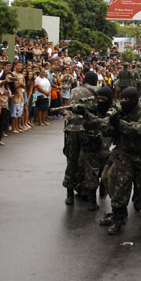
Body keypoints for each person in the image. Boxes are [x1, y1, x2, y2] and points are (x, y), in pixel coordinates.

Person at [102, 87, 141, 235]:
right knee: (120, 187)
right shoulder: (119, 111)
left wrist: (119, 123)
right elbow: (107, 130)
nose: (123, 102)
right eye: (122, 99)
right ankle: (118, 219)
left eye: (127, 100)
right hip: (126, 154)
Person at [62, 71, 99, 208]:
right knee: (91, 164)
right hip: (88, 130)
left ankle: (69, 196)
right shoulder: (98, 91)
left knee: (71, 162)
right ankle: (92, 201)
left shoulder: (74, 90)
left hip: (71, 129)